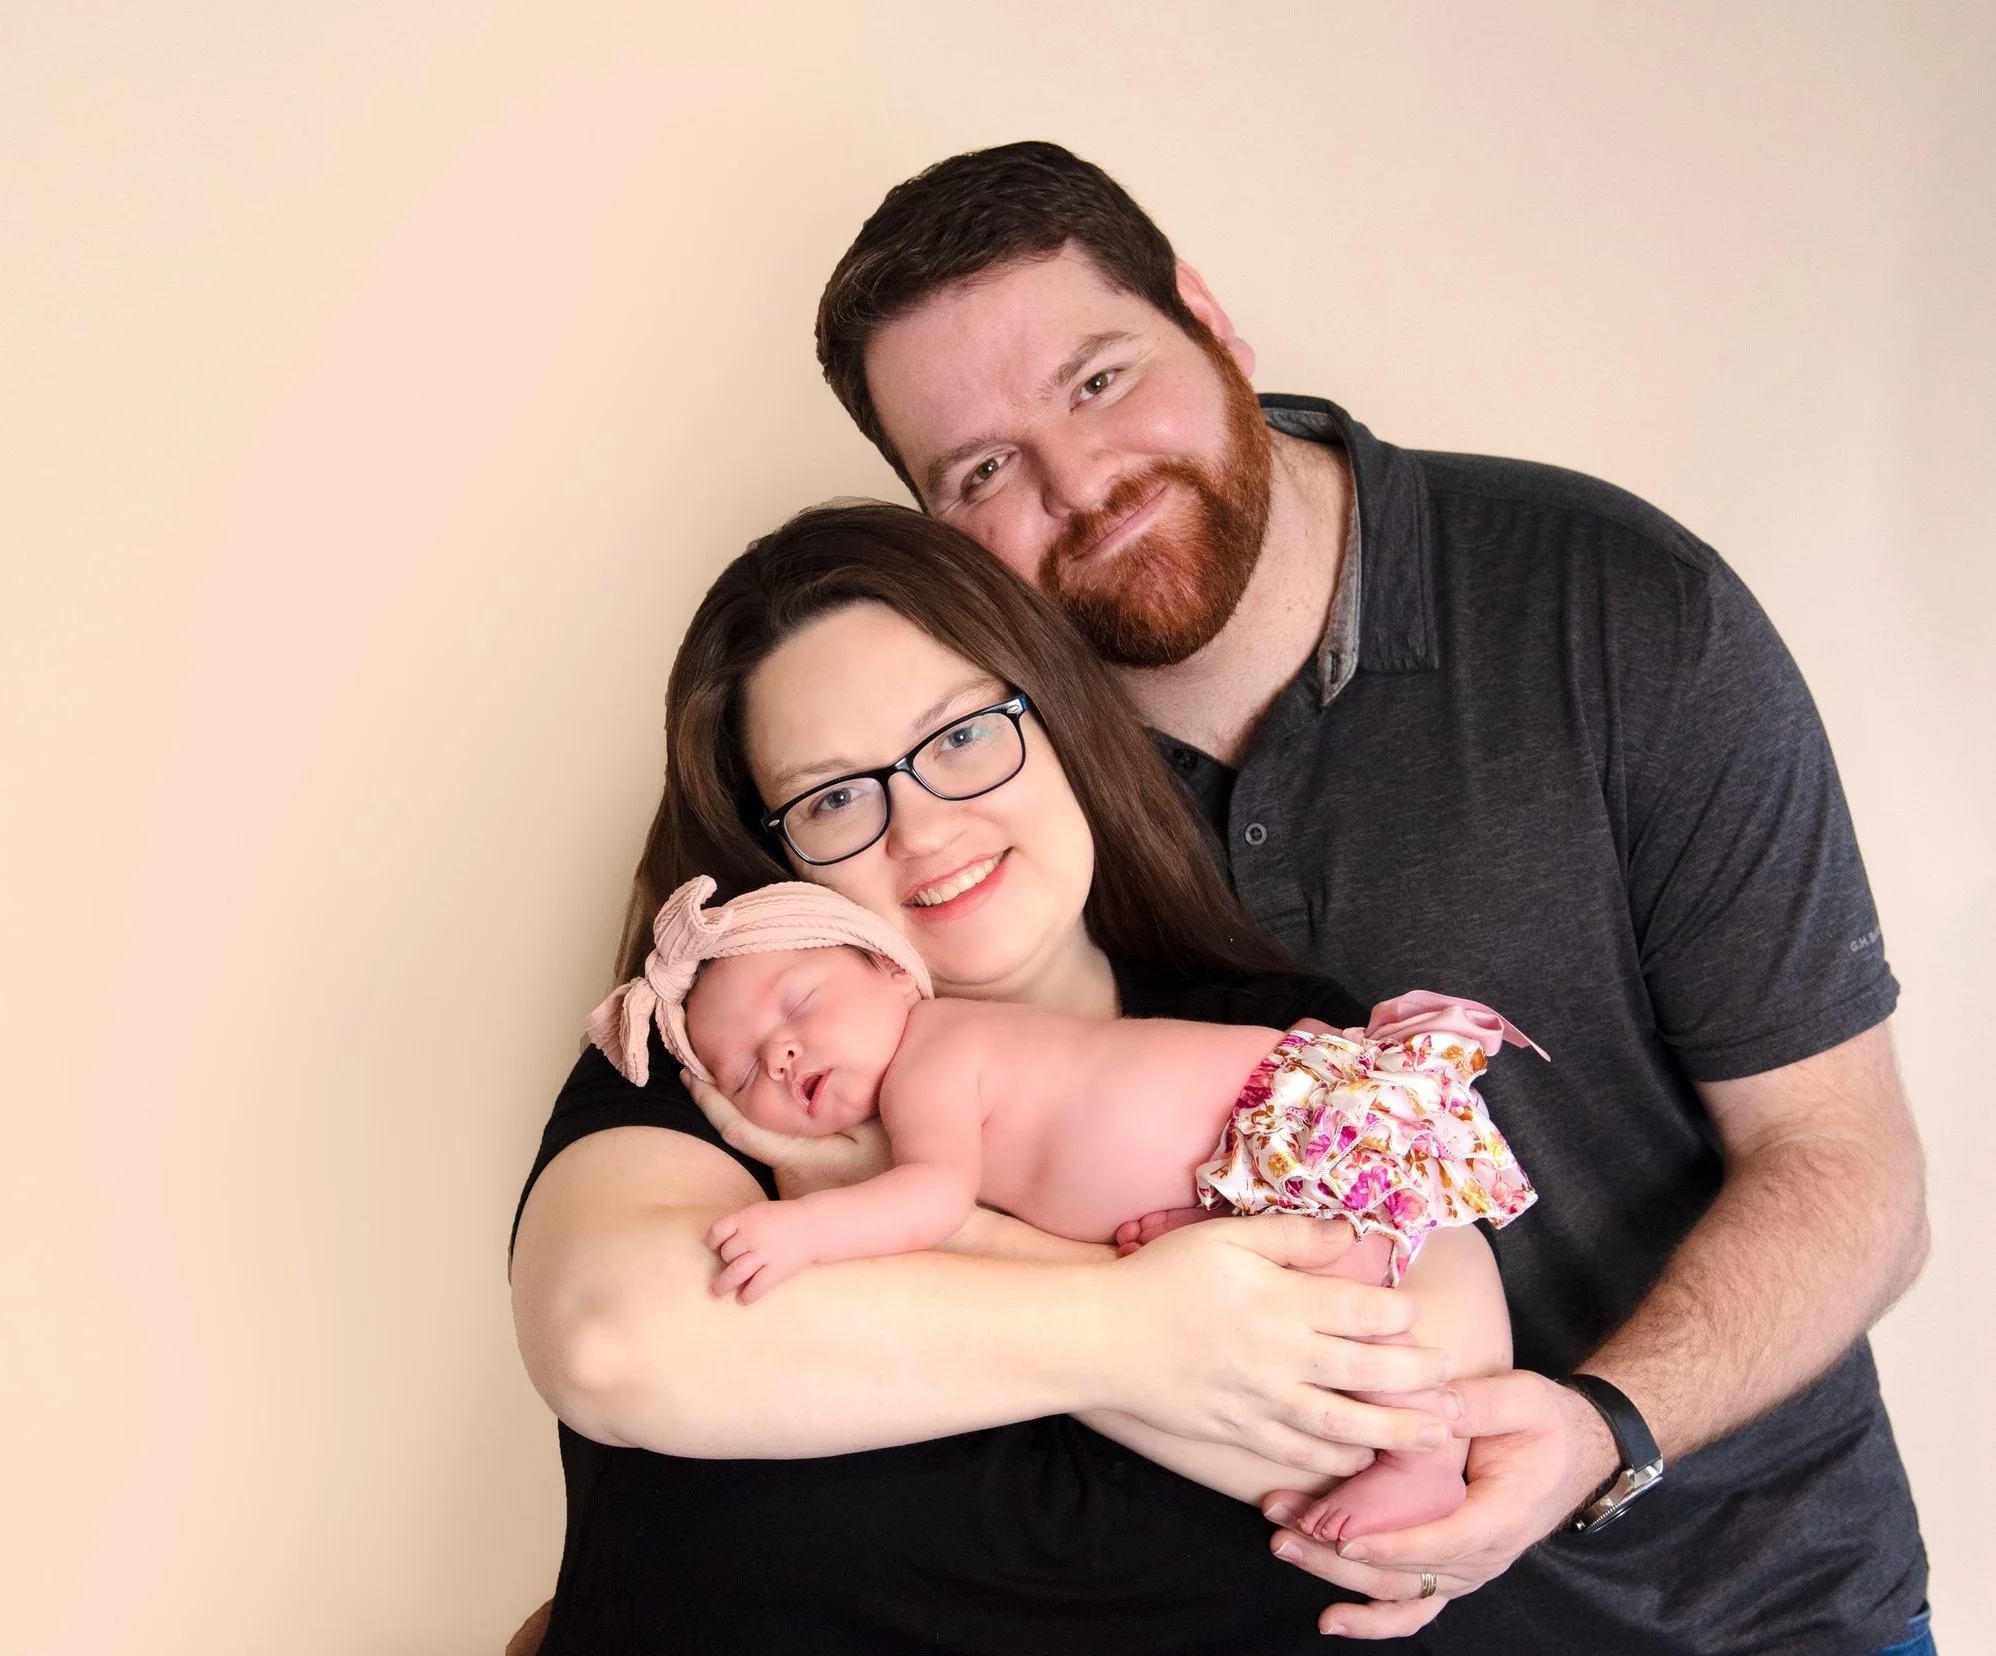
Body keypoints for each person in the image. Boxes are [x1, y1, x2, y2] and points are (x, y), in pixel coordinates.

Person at [808, 140, 1931, 1653]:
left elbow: (1848, 1171)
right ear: (941, 526)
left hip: (1753, 1610)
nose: (1083, 486)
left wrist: (1605, 1426)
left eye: (1097, 379)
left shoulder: (1615, 608)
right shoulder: (963, 788)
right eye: (984, 469)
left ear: (1209, 321)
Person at [511, 502, 1488, 1652]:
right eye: (833, 797)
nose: (923, 829)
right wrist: (1134, 1328)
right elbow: (615, 1341)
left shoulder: (1283, 1058)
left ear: (1062, 718)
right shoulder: (728, 1067)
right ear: (778, 869)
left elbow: (1413, 1426)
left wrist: (945, 1228)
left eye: (963, 735)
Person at [590, 873, 1545, 1542]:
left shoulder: (933, 1052)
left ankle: (1419, 1460)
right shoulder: (939, 1054)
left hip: (1284, 1126)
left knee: (1346, 1287)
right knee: (1296, 1287)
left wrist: (803, 1225)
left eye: (798, 1004)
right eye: (747, 1067)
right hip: (1235, 1162)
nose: (785, 1054)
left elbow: (927, 1202)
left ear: (890, 969)